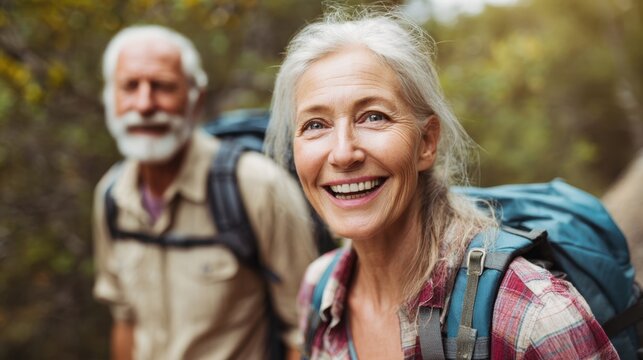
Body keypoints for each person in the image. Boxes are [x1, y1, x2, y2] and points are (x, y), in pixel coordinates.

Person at [265, 8, 619, 359]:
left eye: (374, 117)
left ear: (427, 142)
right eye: (315, 124)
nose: (343, 153)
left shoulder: (533, 315)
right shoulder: (319, 290)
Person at [92, 25, 316, 360]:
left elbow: (304, 333)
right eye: (129, 86)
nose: (144, 103)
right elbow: (125, 321)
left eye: (163, 87)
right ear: (110, 100)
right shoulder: (111, 196)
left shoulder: (256, 186)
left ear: (197, 98)